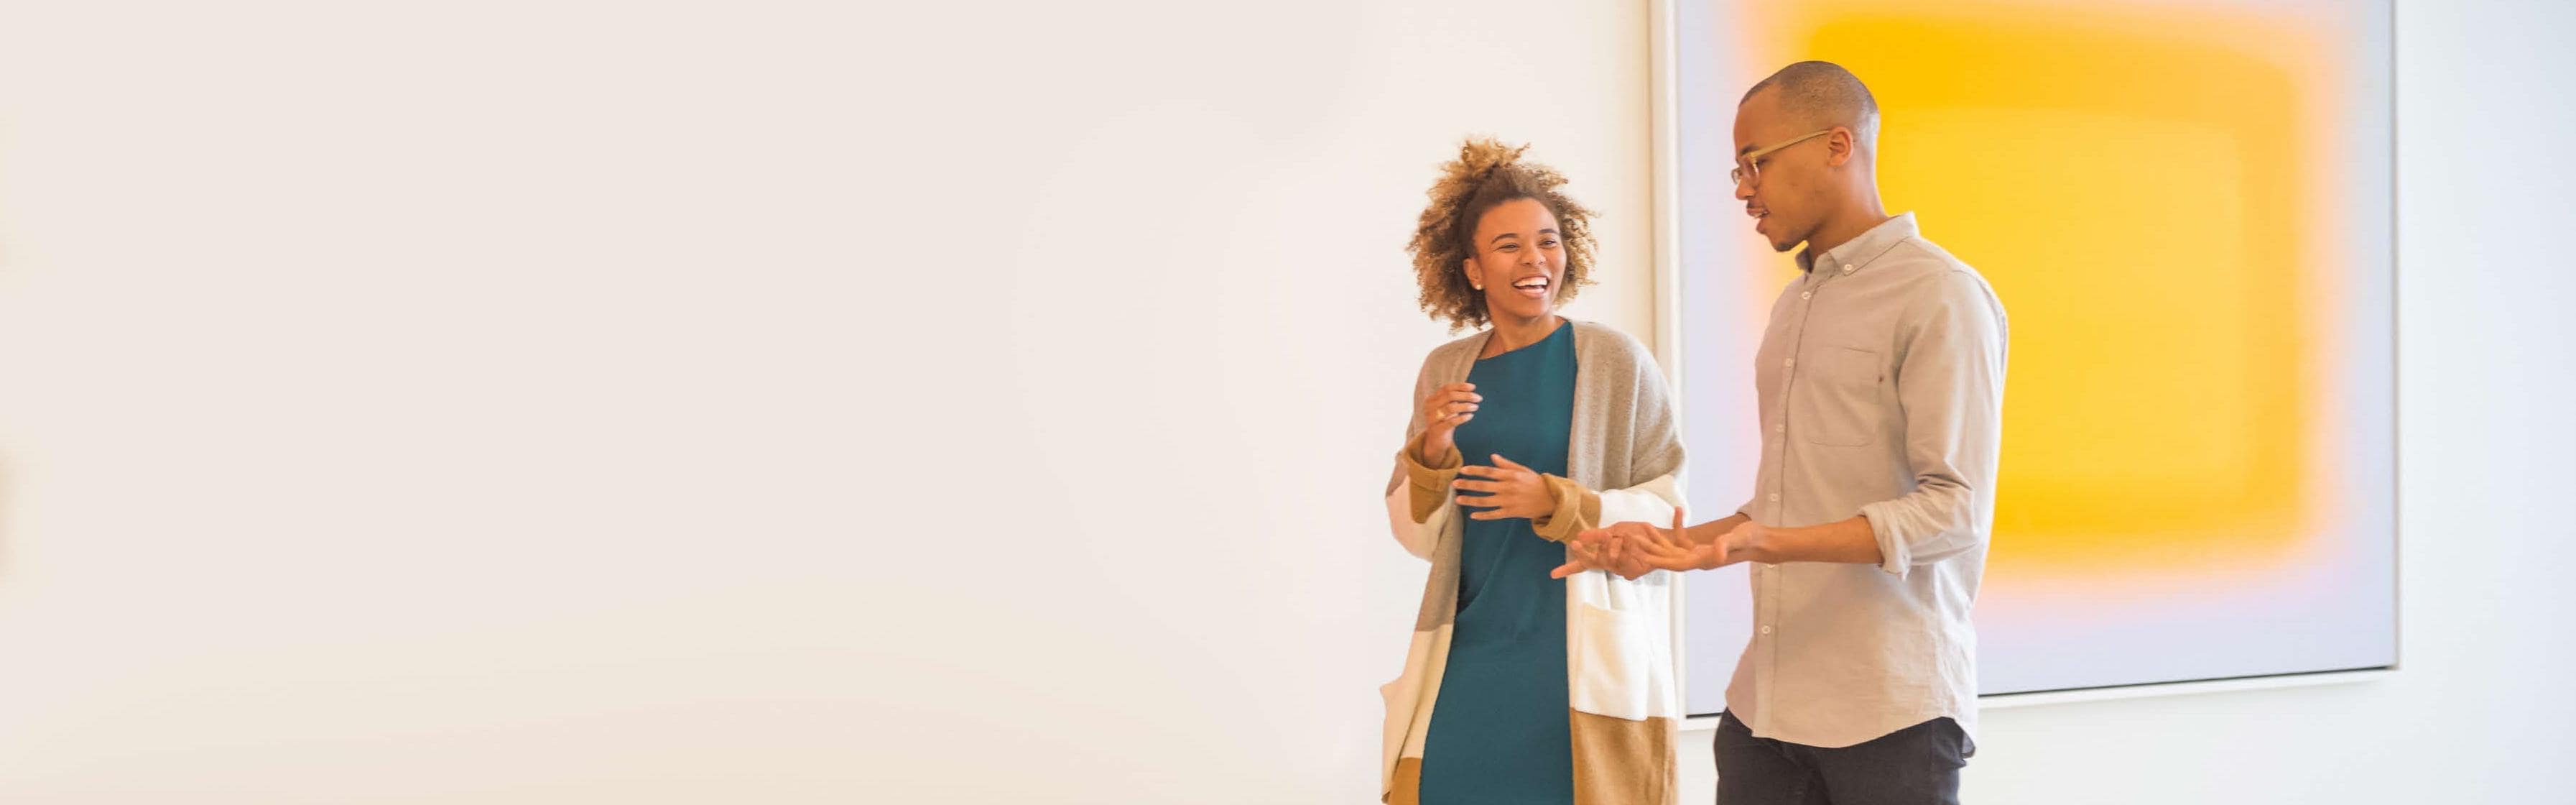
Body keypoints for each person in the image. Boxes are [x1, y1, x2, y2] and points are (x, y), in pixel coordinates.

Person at [1557, 62, 2009, 805]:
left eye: (1754, 163)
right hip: (1764, 715)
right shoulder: (1793, 306)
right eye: (1736, 169)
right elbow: (1789, 500)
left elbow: (1954, 512)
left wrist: (1763, 541)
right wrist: (1686, 548)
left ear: (1837, 145)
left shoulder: (1940, 294)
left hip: (1890, 720)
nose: (1742, 189)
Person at [1379, 137, 1686, 805]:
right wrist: (1432, 448)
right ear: (1474, 270)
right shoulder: (1445, 369)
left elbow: (1671, 516)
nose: (1534, 260)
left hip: (1577, 660)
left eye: (1548, 241)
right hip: (1469, 654)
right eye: (1510, 246)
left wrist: (1554, 499)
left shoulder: (1613, 361)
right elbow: (1415, 538)